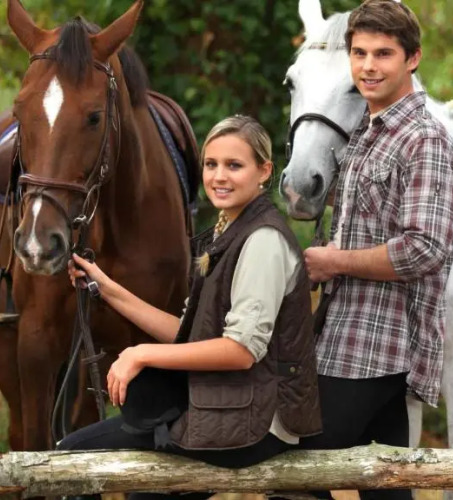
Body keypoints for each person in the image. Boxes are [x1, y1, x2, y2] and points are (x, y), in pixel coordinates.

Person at [58, 115, 321, 500]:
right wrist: (105, 287)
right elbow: (188, 334)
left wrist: (141, 353)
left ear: (264, 171)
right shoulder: (229, 232)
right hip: (225, 405)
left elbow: (240, 351)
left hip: (256, 422)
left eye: (234, 165)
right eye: (211, 164)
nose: (219, 176)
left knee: (73, 458)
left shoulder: (263, 241)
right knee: (121, 480)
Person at [300, 1, 453, 499]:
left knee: (294, 470)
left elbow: (424, 248)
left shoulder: (425, 140)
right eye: (360, 53)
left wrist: (335, 261)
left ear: (413, 58)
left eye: (383, 54)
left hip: (379, 345)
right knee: (386, 485)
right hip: (349, 332)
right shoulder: (367, 134)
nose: (368, 66)